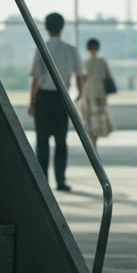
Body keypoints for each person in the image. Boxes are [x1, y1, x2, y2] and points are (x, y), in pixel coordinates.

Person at [29, 13, 82, 192]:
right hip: (62, 98)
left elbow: (35, 78)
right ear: (62, 27)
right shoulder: (71, 49)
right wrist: (79, 95)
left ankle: (42, 181)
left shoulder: (41, 48)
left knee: (42, 141)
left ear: (46, 27)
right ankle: (60, 181)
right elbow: (80, 75)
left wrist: (32, 102)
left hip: (43, 97)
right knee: (61, 141)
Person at [77, 39, 114, 149]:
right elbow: (108, 77)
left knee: (91, 120)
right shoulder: (100, 62)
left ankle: (93, 143)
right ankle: (94, 143)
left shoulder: (86, 63)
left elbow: (82, 81)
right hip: (96, 94)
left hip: (91, 94)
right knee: (94, 120)